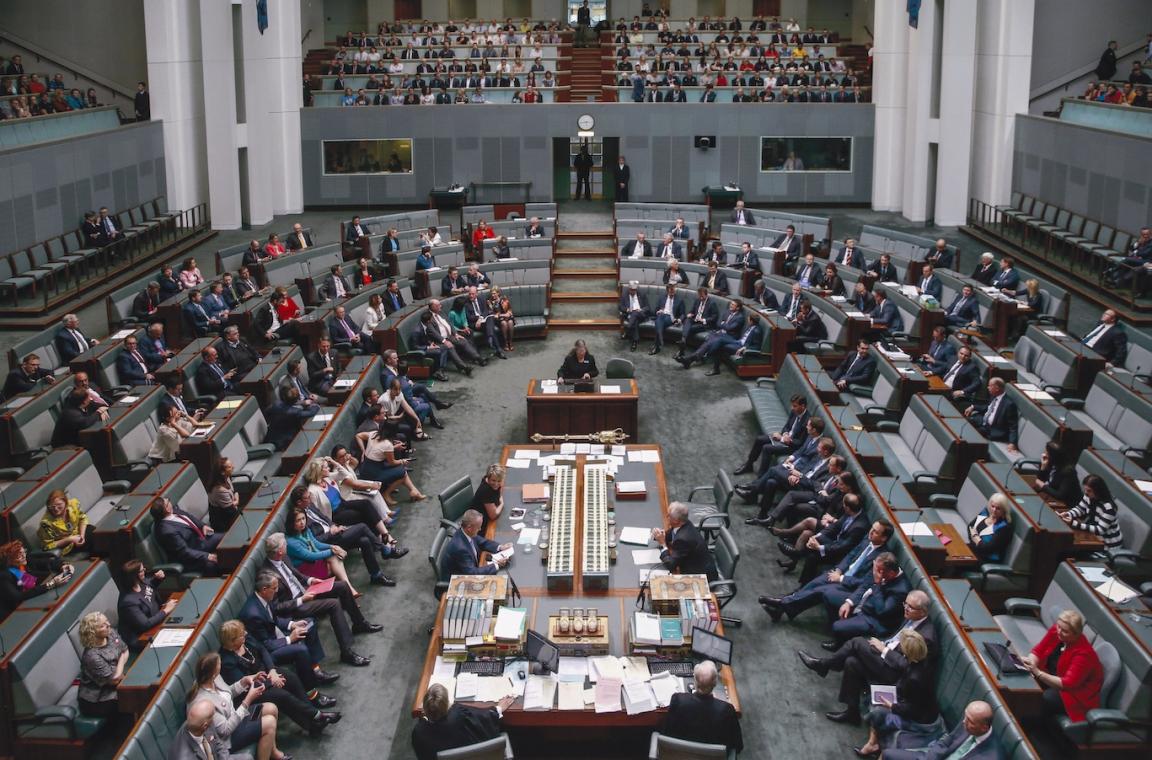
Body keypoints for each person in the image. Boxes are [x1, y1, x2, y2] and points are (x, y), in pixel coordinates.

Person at [261, 533, 378, 666]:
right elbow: (276, 608)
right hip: (295, 606)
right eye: (285, 545)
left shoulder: (283, 557)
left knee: (342, 586)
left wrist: (310, 580)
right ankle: (347, 652)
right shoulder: (266, 575)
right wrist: (301, 600)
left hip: (305, 591)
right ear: (280, 551)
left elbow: (294, 573)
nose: (287, 545)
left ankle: (359, 623)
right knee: (334, 604)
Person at [218, 619, 340, 737]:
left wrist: (272, 670)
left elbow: (263, 650)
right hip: (253, 692)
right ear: (232, 642)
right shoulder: (227, 661)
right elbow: (247, 685)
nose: (245, 633)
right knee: (281, 696)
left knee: (291, 679)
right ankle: (316, 717)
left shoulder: (246, 639)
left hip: (267, 672)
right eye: (241, 635)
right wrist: (271, 680)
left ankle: (313, 720)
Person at [759, 520, 893, 622]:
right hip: (840, 574)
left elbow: (865, 582)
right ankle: (782, 609)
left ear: (884, 538)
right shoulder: (866, 540)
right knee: (814, 584)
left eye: (875, 531)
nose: (870, 532)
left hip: (849, 586)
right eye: (872, 529)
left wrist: (840, 578)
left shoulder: (882, 558)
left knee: (818, 591)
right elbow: (851, 556)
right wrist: (839, 570)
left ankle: (781, 604)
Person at [188, 653, 286, 760]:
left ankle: (273, 753)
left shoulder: (214, 679)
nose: (221, 666)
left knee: (271, 708)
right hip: (227, 740)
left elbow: (228, 693)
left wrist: (244, 682)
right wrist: (248, 699)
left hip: (237, 719)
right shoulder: (205, 702)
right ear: (213, 673)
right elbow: (225, 730)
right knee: (269, 723)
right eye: (219, 664)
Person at [852, 629, 939, 749]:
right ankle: (873, 742)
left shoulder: (915, 678)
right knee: (873, 697)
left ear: (908, 651)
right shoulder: (921, 661)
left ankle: (873, 744)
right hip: (910, 702)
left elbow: (913, 709)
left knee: (878, 712)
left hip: (919, 720)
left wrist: (892, 706)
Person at [1022, 609, 1104, 727]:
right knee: (1026, 679)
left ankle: (1029, 726)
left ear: (1076, 634)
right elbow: (1038, 650)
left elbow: (1067, 684)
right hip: (1053, 676)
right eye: (1059, 627)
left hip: (1074, 695)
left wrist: (1038, 673)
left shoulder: (1084, 654)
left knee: (1046, 698)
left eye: (1065, 631)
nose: (1059, 631)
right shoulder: (1057, 631)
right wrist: (1031, 662)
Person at [412, 683, 513, 760]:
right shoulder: (460, 715)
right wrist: (498, 708)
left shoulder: (418, 732)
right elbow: (485, 717)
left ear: (425, 708)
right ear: (447, 704)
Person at [661, 660, 743, 752]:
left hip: (679, 754)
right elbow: (738, 745)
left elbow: (666, 732)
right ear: (715, 683)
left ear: (694, 681)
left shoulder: (678, 700)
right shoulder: (726, 709)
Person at [883, 700, 1001, 760]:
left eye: (969, 720)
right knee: (888, 755)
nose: (964, 721)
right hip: (934, 757)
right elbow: (947, 741)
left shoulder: (991, 756)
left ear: (984, 727)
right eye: (965, 716)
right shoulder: (970, 721)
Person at [355, 420, 427, 503]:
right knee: (402, 473)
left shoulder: (373, 434)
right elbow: (392, 462)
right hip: (373, 473)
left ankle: (414, 491)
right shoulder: (387, 445)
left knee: (402, 471)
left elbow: (359, 436)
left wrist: (363, 450)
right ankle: (386, 494)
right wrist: (402, 461)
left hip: (365, 467)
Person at [77, 611, 130, 725]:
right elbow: (114, 681)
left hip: (115, 682)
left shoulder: (110, 634)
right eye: (103, 625)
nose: (108, 625)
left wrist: (119, 665)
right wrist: (121, 659)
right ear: (92, 632)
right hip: (97, 699)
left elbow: (125, 650)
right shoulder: (92, 656)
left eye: (107, 621)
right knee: (132, 698)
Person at [150, 495, 224, 575]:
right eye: (168, 501)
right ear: (167, 509)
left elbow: (189, 517)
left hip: (199, 541)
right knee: (211, 565)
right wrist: (207, 556)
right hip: (189, 557)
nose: (169, 500)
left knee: (225, 539)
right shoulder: (167, 532)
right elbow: (184, 552)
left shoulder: (174, 510)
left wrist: (202, 526)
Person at [0, 541, 73, 620]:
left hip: (35, 600)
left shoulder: (24, 562)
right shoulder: (5, 576)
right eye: (19, 556)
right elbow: (19, 597)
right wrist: (50, 584)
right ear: (9, 561)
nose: (24, 556)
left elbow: (46, 562)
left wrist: (63, 564)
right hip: (17, 613)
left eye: (24, 552)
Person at [117, 559, 177, 646]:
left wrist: (158, 578)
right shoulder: (128, 602)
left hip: (156, 622)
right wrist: (165, 611)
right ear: (134, 576)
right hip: (141, 637)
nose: (145, 570)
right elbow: (145, 624)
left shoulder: (139, 582)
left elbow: (149, 587)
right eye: (142, 570)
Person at [652, 502, 718, 580]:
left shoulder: (683, 539)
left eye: (669, 516)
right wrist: (659, 535)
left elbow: (670, 565)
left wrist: (663, 544)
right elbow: (670, 535)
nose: (666, 517)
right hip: (701, 563)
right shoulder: (684, 523)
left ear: (676, 521)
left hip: (700, 576)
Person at [440, 509, 512, 577]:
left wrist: (500, 547)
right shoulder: (460, 549)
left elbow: (483, 542)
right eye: (478, 527)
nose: (480, 529)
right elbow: (472, 573)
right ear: (469, 528)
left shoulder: (466, 532)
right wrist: (496, 565)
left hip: (468, 569)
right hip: (458, 579)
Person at [1060, 474, 1123, 550]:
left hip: (1108, 544)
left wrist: (1074, 523)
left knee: (1070, 548)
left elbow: (1100, 530)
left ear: (1098, 491)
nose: (1086, 493)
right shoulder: (1089, 496)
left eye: (1089, 490)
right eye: (1085, 490)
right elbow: (1080, 509)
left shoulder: (1108, 507)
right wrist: (1068, 514)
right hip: (1093, 536)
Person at [964, 377, 1018, 448]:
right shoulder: (994, 396)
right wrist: (973, 407)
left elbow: (1013, 426)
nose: (987, 387)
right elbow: (988, 407)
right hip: (983, 422)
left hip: (992, 430)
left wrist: (1012, 443)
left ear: (997, 388)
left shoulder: (1009, 404)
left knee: (970, 433)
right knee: (964, 422)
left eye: (990, 386)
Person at [37, 488, 93, 556]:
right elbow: (47, 545)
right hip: (67, 546)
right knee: (95, 545)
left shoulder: (73, 504)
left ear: (66, 502)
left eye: (59, 505)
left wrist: (82, 536)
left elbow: (82, 518)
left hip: (78, 534)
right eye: (52, 506)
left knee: (95, 532)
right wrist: (70, 539)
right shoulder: (46, 523)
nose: (56, 509)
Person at [1034, 440, 1081, 506]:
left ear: (1053, 456)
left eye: (1046, 452)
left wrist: (1043, 486)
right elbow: (1039, 481)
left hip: (1067, 504)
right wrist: (1043, 467)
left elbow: (1060, 495)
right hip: (1051, 497)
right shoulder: (1049, 463)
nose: (1044, 454)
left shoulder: (1069, 472)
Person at [472, 465, 506, 533]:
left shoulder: (488, 481)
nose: (496, 484)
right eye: (493, 480)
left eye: (499, 481)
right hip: (479, 526)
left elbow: (498, 494)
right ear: (488, 477)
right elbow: (493, 515)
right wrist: (502, 504)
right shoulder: (486, 491)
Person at [619, 281, 650, 352]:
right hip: (630, 315)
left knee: (635, 312)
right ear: (629, 289)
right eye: (632, 290)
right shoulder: (624, 295)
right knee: (635, 321)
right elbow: (620, 306)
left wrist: (641, 310)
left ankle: (628, 329)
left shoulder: (642, 294)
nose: (633, 291)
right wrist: (627, 309)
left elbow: (648, 307)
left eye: (635, 290)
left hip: (641, 314)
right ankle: (634, 341)